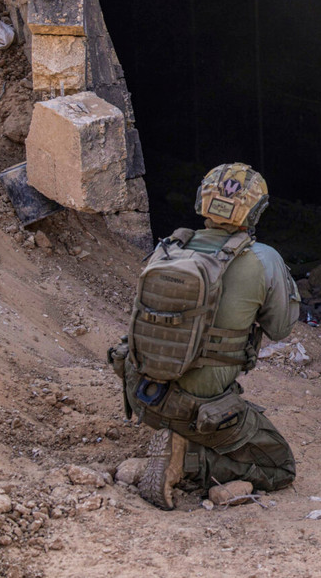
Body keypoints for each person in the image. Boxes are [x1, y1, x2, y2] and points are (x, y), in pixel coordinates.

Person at [109, 163, 300, 509]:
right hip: (200, 409)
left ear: (202, 203)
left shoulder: (168, 249)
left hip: (143, 392)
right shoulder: (264, 259)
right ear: (256, 212)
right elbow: (281, 328)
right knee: (279, 466)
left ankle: (168, 435)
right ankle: (184, 458)